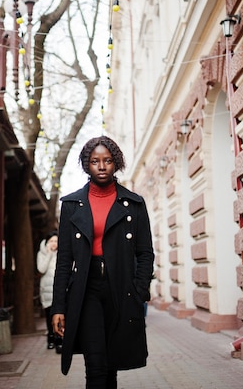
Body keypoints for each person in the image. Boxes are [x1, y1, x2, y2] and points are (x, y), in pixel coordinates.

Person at [51, 135, 154, 388]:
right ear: (86, 164)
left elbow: (145, 252)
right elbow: (64, 260)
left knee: (111, 365)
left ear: (115, 163)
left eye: (107, 160)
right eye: (95, 160)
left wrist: (139, 290)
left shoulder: (134, 204)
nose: (101, 165)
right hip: (86, 291)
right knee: (95, 364)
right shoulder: (72, 205)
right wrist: (58, 307)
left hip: (121, 290)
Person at [36, 230, 62, 353]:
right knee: (49, 316)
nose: (53, 243)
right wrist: (49, 254)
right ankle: (50, 339)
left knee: (60, 314)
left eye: (56, 241)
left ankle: (59, 340)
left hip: (59, 290)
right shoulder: (42, 254)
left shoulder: (62, 254)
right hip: (46, 290)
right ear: (46, 243)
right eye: (51, 241)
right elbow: (41, 269)